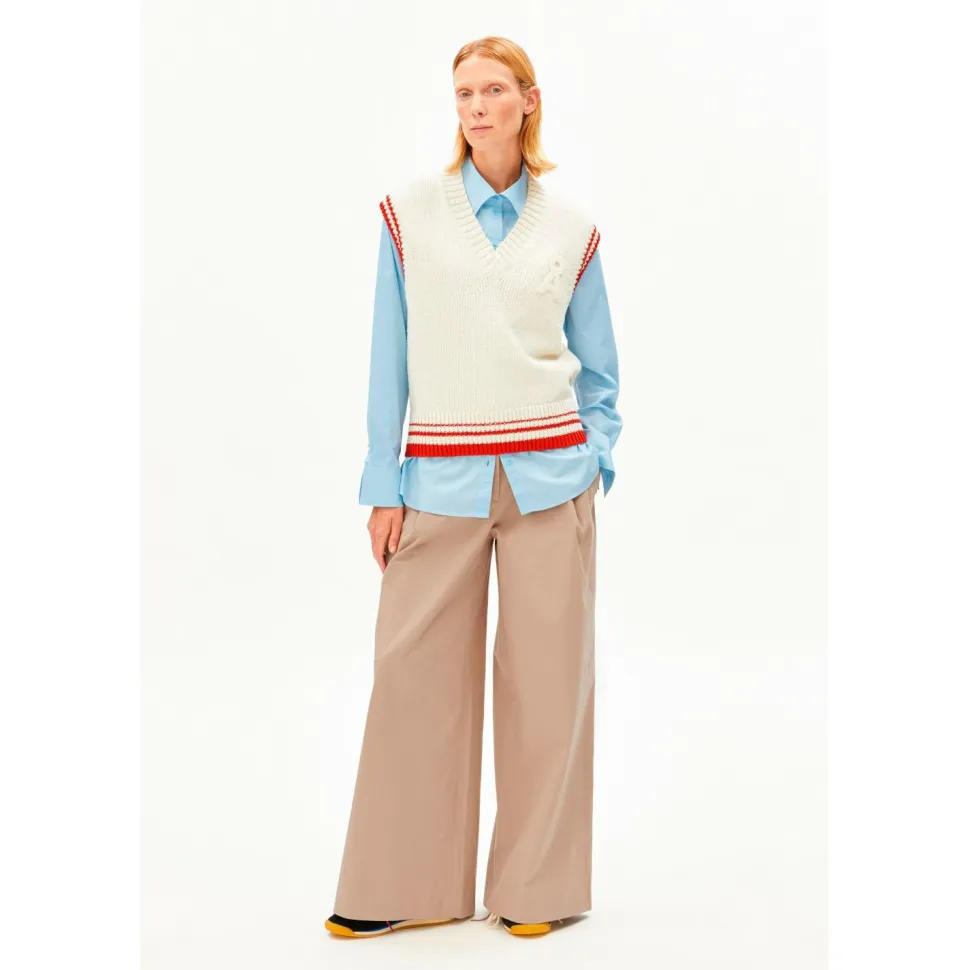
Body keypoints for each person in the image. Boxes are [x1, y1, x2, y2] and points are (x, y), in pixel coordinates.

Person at [325, 35, 622, 940]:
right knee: (411, 681)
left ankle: (538, 892)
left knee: (547, 691)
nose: (477, 106)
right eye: (463, 93)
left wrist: (595, 460)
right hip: (436, 484)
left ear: (528, 100)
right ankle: (404, 888)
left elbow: (602, 371)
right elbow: (388, 358)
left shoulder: (572, 228)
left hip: (550, 487)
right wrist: (382, 485)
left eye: (493, 90)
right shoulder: (409, 215)